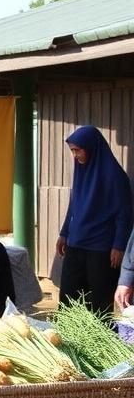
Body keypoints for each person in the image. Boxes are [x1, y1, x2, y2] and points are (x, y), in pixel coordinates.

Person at [57, 125, 133, 313]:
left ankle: (96, 340)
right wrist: (64, 233)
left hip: (101, 250)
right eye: (72, 151)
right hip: (76, 245)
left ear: (91, 148)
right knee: (68, 298)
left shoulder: (115, 177)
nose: (75, 155)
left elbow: (125, 214)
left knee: (99, 302)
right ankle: (68, 338)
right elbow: (74, 204)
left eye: (77, 150)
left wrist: (119, 245)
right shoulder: (81, 172)